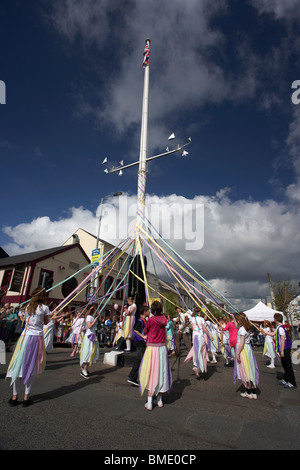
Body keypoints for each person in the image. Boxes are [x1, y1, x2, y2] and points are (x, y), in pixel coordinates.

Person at [6, 288, 50, 407]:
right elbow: (46, 322)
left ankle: (14, 397)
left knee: (19, 365)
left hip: (24, 338)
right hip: (36, 339)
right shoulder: (45, 308)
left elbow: (22, 318)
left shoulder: (26, 307)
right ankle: (26, 397)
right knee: (31, 367)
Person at [139, 301, 172, 410]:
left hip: (152, 349)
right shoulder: (164, 319)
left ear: (152, 309)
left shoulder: (150, 320)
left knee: (151, 372)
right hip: (162, 348)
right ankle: (159, 400)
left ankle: (149, 402)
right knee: (161, 372)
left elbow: (145, 330)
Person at [262, 313, 297, 388]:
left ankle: (292, 382)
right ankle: (286, 378)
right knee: (284, 364)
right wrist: (265, 332)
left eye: (274, 318)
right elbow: (273, 334)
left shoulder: (280, 328)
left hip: (285, 349)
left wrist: (282, 351)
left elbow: (282, 340)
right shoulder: (279, 327)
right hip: (283, 349)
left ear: (276, 319)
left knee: (288, 365)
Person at [234, 313, 259, 399]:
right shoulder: (247, 328)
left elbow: (241, 343)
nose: (236, 322)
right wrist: (233, 318)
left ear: (240, 320)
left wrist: (237, 353)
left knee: (244, 369)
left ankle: (248, 391)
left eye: (237, 320)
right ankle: (253, 392)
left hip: (243, 350)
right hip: (248, 349)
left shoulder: (241, 329)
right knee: (250, 369)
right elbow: (237, 326)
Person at [184, 307, 214, 378]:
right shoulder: (201, 319)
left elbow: (192, 328)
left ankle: (196, 365)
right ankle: (198, 367)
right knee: (202, 351)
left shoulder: (192, 319)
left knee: (196, 351)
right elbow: (204, 329)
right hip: (200, 336)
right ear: (199, 312)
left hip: (194, 337)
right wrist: (210, 336)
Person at [127, 305, 150, 387]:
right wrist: (143, 336)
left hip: (142, 342)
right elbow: (136, 330)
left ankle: (135, 377)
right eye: (148, 311)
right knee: (139, 359)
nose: (149, 312)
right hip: (139, 342)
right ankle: (132, 377)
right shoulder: (140, 321)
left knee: (140, 359)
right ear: (145, 312)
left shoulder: (144, 320)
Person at [80, 305, 100, 379]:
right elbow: (89, 326)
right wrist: (95, 320)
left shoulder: (91, 316)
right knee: (88, 352)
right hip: (89, 336)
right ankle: (84, 369)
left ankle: (85, 368)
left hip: (92, 335)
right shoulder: (88, 317)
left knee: (91, 351)